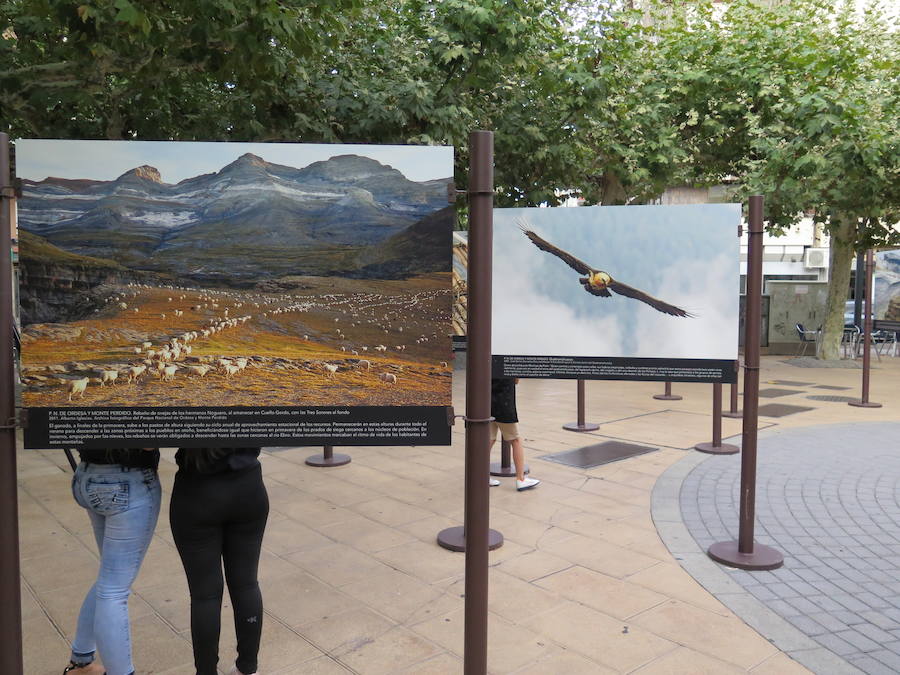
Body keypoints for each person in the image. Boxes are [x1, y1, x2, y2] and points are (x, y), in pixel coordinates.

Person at [169, 447, 269, 675]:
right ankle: (247, 668)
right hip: (248, 487)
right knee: (246, 584)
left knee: (205, 595)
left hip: (196, 492)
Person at [64, 447, 161, 675]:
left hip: (87, 474)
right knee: (113, 590)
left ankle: (82, 661)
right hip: (128, 480)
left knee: (109, 579)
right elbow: (147, 440)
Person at [490, 378, 540, 491]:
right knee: (515, 440)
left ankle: (481, 477)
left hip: (487, 402)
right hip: (504, 404)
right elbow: (516, 380)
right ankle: (521, 479)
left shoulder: (487, 361)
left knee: (489, 439)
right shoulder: (506, 361)